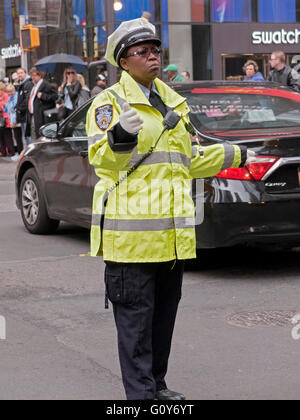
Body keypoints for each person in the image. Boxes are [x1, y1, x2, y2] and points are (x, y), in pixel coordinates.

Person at [86, 18, 254, 401]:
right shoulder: (109, 103)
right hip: (130, 243)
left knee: (162, 325)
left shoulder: (172, 100)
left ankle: (156, 388)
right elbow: (102, 162)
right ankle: (142, 399)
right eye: (141, 52)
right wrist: (121, 137)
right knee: (135, 329)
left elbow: (186, 160)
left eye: (155, 49)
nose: (152, 56)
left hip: (172, 238)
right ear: (123, 62)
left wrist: (238, 154)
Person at [26, 67, 58, 142]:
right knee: (34, 132)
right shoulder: (34, 85)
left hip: (41, 114)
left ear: (39, 75)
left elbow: (55, 96)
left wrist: (43, 96)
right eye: (31, 75)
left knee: (40, 133)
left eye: (34, 75)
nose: (32, 77)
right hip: (34, 114)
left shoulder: (46, 84)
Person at [5, 84, 23, 160]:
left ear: (14, 90)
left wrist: (13, 121)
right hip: (12, 121)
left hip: (17, 121)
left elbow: (15, 111)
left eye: (11, 91)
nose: (9, 93)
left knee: (19, 138)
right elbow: (7, 109)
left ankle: (20, 154)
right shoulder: (10, 98)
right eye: (8, 92)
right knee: (16, 137)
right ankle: (19, 153)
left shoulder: (16, 97)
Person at [15, 67, 33, 147]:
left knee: (28, 137)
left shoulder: (28, 83)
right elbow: (20, 100)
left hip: (26, 115)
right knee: (25, 137)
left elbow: (28, 99)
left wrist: (19, 109)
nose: (19, 75)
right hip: (22, 115)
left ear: (25, 73)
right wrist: (16, 107)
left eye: (21, 73)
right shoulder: (22, 84)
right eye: (18, 73)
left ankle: (29, 156)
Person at [0, 82, 15, 157]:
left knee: (7, 136)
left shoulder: (6, 96)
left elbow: (6, 108)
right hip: (1, 118)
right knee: (1, 137)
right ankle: (3, 152)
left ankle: (11, 151)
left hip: (5, 119)